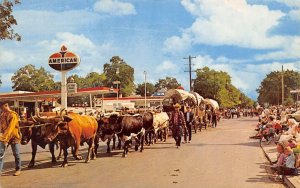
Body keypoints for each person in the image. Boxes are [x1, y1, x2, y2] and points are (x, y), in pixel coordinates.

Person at [0, 101, 22, 176]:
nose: (1, 109)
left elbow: (10, 128)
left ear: (6, 105)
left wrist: (5, 138)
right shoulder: (2, 114)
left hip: (13, 137)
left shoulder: (13, 115)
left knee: (16, 154)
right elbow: (1, 126)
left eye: (1, 107)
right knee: (1, 154)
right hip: (4, 137)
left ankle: (18, 169)